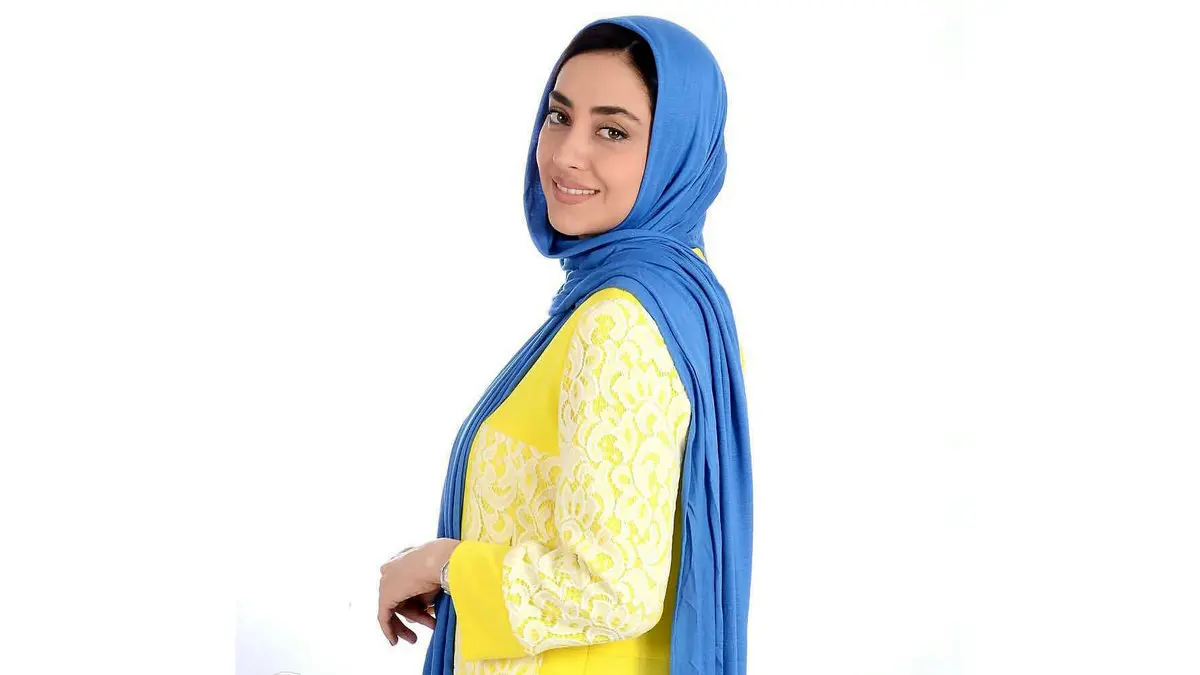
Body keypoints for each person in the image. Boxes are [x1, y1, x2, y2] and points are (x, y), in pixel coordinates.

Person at [377, 15, 753, 675]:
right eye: (559, 116)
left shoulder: (621, 321)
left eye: (613, 131)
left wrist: (445, 564)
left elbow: (615, 586)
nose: (564, 155)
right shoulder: (682, 299)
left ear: (676, 153)